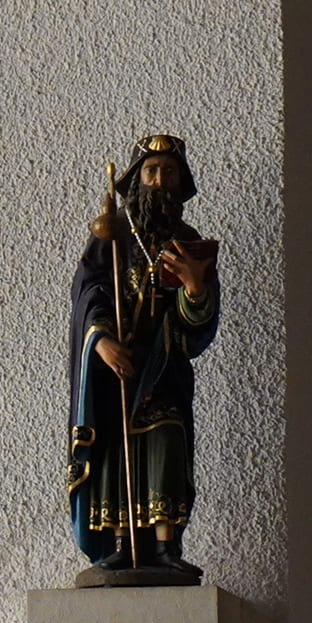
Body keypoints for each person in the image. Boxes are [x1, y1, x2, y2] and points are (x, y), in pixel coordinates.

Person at [67, 134, 220, 583]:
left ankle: (165, 543)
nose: (159, 181)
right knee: (116, 443)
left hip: (164, 363)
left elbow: (200, 327)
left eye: (168, 173)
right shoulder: (113, 236)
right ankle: (118, 542)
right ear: (135, 180)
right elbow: (87, 294)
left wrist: (195, 287)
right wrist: (100, 340)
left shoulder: (188, 243)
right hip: (119, 365)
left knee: (166, 439)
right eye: (151, 172)